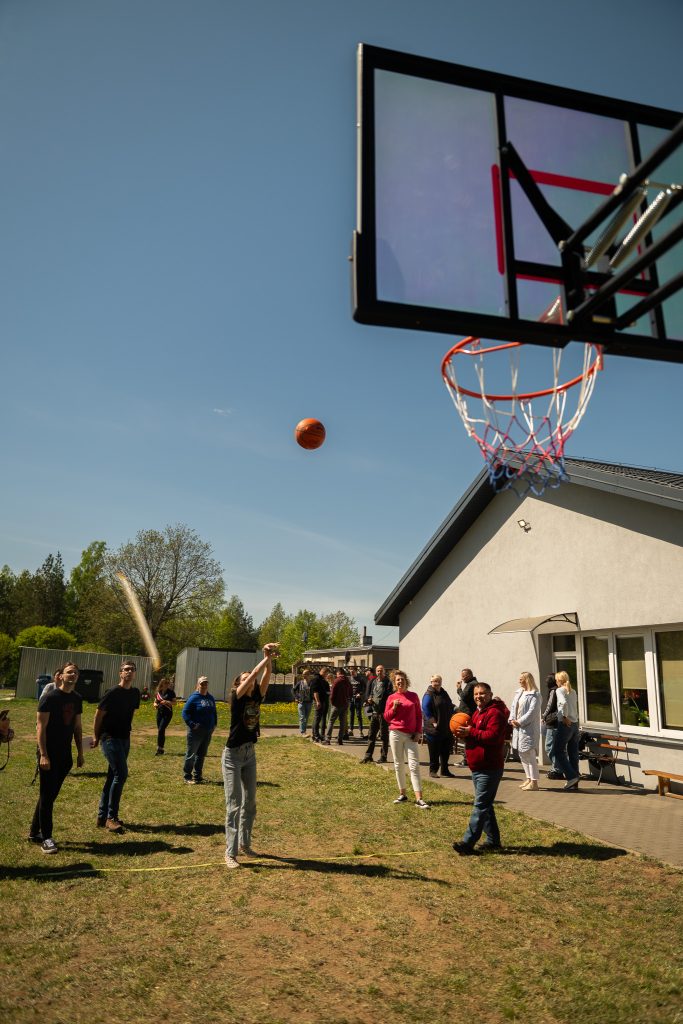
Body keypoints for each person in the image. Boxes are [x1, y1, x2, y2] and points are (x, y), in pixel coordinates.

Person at [222, 642, 279, 869]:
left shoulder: (257, 697)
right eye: (245, 678)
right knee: (234, 804)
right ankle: (230, 853)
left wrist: (269, 658)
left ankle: (245, 844)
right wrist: (265, 656)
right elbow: (256, 672)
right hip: (232, 756)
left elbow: (266, 675)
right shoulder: (236, 697)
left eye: (250, 679)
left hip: (249, 753)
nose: (250, 680)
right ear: (239, 683)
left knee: (251, 802)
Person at [28, 662, 84, 854]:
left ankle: (34, 831)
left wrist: (80, 753)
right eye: (69, 672)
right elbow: (40, 728)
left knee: (50, 795)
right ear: (60, 676)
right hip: (48, 754)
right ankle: (47, 838)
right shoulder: (49, 698)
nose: (73, 675)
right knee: (47, 795)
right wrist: (43, 755)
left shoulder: (77, 698)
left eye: (75, 672)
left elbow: (77, 727)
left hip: (65, 755)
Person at [452, 682, 509, 854]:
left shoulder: (495, 713)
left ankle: (467, 843)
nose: (479, 697)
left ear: (490, 694)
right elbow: (475, 735)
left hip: (489, 767)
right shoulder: (477, 713)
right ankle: (493, 841)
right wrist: (464, 734)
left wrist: (471, 732)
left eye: (482, 693)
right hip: (477, 766)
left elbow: (493, 737)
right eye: (476, 694)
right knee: (486, 806)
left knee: (480, 805)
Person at [92, 659, 141, 833]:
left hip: (124, 738)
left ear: (135, 674)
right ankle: (111, 818)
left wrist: (128, 731)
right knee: (121, 774)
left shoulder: (135, 693)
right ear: (120, 673)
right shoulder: (112, 692)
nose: (129, 672)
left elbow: (131, 713)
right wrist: (96, 736)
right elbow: (98, 715)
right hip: (109, 738)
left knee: (112, 776)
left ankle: (102, 816)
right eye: (126, 669)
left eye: (132, 669)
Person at [384, 670, 429, 808]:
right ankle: (402, 794)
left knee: (414, 765)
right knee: (398, 764)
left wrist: (419, 732)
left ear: (406, 681)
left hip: (411, 735)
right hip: (395, 733)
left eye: (402, 679)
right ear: (394, 683)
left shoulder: (413, 696)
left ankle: (419, 798)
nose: (400, 681)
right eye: (397, 680)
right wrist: (394, 708)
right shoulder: (391, 697)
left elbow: (419, 716)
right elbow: (387, 717)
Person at [181, 676, 218, 784]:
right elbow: (185, 713)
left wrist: (214, 724)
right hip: (196, 732)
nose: (204, 685)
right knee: (191, 754)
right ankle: (187, 776)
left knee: (201, 754)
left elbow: (214, 712)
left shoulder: (210, 698)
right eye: (202, 683)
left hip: (208, 731)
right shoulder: (194, 698)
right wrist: (192, 724)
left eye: (206, 683)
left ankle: (198, 776)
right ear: (198, 685)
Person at [509, 671, 541, 791]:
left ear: (527, 680)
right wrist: (512, 719)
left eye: (521, 679)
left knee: (530, 755)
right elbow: (513, 707)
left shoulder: (535, 695)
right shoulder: (519, 692)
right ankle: (528, 778)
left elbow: (532, 712)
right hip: (518, 729)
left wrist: (519, 722)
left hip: (529, 729)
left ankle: (534, 782)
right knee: (522, 754)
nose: (519, 680)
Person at [421, 674, 455, 778]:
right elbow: (425, 708)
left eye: (438, 681)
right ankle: (433, 770)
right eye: (434, 681)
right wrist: (433, 722)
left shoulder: (444, 692)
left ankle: (445, 770)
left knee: (446, 750)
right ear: (431, 682)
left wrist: (456, 710)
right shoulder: (428, 694)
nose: (437, 683)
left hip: (446, 726)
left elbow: (450, 704)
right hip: (434, 728)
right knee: (434, 751)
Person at [360, 664, 392, 764]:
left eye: (381, 670)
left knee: (384, 736)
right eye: (378, 670)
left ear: (384, 671)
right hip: (374, 712)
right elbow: (371, 693)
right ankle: (368, 756)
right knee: (371, 735)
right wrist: (369, 699)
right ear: (376, 672)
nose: (379, 672)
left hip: (383, 713)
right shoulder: (374, 682)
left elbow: (390, 696)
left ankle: (383, 756)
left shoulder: (388, 682)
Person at [554, 671, 581, 790]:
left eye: (556, 680)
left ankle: (572, 777)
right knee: (573, 753)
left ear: (559, 680)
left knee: (558, 751)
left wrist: (564, 716)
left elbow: (563, 703)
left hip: (566, 724)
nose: (556, 682)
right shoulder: (573, 691)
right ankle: (574, 783)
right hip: (575, 724)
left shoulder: (559, 690)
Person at [541, 673, 563, 779]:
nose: (546, 682)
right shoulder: (559, 690)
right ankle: (557, 768)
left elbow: (549, 706)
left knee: (549, 747)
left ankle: (557, 769)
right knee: (555, 747)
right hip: (557, 722)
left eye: (547, 680)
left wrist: (544, 716)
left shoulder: (554, 691)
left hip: (553, 722)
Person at [456, 668, 478, 765]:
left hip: (467, 714)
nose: (462, 678)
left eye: (463, 676)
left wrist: (459, 688)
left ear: (469, 675)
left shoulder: (471, 684)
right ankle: (468, 759)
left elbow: (464, 696)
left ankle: (466, 760)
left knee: (466, 737)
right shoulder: (473, 683)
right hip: (468, 713)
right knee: (467, 737)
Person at [324, 668, 352, 745]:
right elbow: (351, 692)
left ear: (338, 673)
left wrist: (332, 702)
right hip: (345, 704)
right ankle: (340, 739)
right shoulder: (347, 681)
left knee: (331, 721)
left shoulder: (337, 681)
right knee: (342, 722)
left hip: (337, 704)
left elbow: (332, 693)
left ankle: (327, 739)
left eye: (336, 673)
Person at [154, 677, 176, 755]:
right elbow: (155, 701)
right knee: (161, 731)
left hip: (167, 714)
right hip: (159, 713)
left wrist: (167, 702)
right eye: (165, 683)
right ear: (162, 684)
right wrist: (155, 704)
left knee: (161, 729)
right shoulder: (159, 692)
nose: (167, 684)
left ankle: (159, 748)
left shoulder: (171, 692)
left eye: (168, 683)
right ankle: (161, 749)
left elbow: (174, 703)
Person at [309, 667, 331, 743]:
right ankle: (316, 735)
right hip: (318, 701)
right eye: (326, 673)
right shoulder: (316, 679)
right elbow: (315, 691)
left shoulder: (321, 680)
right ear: (323, 672)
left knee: (318, 718)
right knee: (317, 718)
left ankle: (317, 735)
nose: (326, 675)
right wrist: (318, 701)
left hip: (323, 701)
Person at [293, 668, 312, 736]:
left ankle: (304, 731)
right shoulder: (300, 682)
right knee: (302, 717)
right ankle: (302, 732)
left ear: (309, 675)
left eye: (305, 674)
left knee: (306, 718)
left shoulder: (311, 683)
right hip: (301, 702)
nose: (303, 675)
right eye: (303, 674)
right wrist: (296, 697)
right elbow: (293, 690)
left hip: (309, 703)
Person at [348, 670, 368, 738]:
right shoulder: (349, 679)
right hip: (351, 699)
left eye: (353, 672)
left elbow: (365, 688)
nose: (351, 673)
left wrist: (360, 694)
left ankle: (361, 730)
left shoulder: (360, 679)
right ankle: (351, 730)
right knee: (351, 715)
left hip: (358, 699)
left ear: (356, 672)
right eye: (350, 672)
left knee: (359, 715)